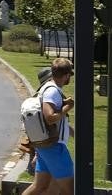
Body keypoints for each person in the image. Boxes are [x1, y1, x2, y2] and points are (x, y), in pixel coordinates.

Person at [23, 58, 76, 195]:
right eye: (70, 74)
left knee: (40, 186)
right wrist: (68, 107)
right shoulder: (52, 91)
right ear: (66, 76)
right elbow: (50, 118)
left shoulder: (51, 90)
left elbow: (58, 122)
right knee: (70, 190)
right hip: (55, 148)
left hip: (48, 146)